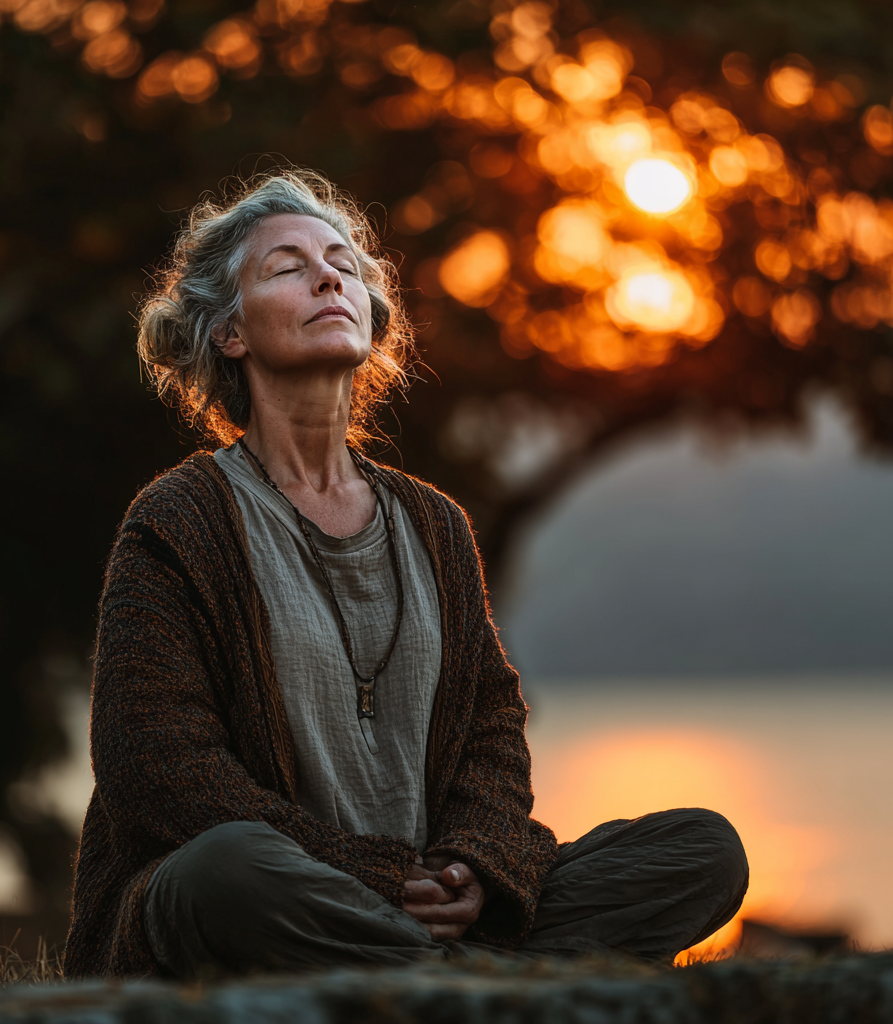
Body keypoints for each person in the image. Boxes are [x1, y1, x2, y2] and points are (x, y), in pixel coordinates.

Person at [63, 170, 747, 979]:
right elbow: (157, 769)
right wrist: (369, 873)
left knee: (702, 849)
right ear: (228, 334)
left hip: (426, 900)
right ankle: (480, 985)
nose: (328, 276)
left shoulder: (434, 524)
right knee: (226, 868)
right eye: (287, 267)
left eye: (343, 264)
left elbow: (493, 730)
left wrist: (473, 865)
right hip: (269, 899)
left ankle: (436, 975)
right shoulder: (179, 521)